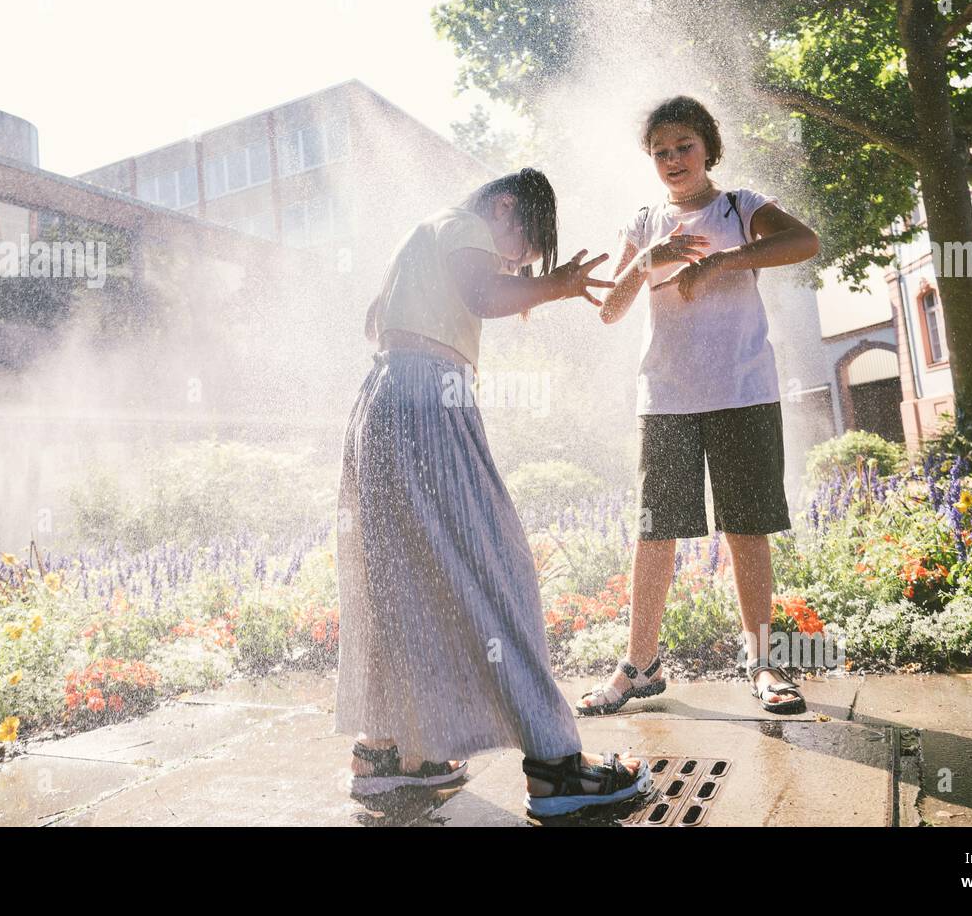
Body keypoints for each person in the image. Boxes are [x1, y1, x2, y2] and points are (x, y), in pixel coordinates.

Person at [337, 168, 653, 818]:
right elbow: (482, 293)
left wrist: (521, 283)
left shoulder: (420, 239)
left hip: (382, 403)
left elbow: (382, 321)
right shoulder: (464, 223)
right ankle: (557, 767)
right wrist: (558, 284)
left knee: (402, 582)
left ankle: (390, 759)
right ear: (506, 207)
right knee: (497, 568)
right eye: (522, 251)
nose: (517, 264)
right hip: (430, 399)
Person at [577, 96, 821, 718]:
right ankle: (640, 666)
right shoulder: (643, 220)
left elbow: (805, 242)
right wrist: (648, 260)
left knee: (746, 528)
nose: (672, 160)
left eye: (683, 146)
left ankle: (764, 665)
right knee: (655, 532)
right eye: (660, 152)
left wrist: (725, 260)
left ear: (708, 147)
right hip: (666, 399)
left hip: (743, 390)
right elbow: (609, 309)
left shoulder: (741, 205)